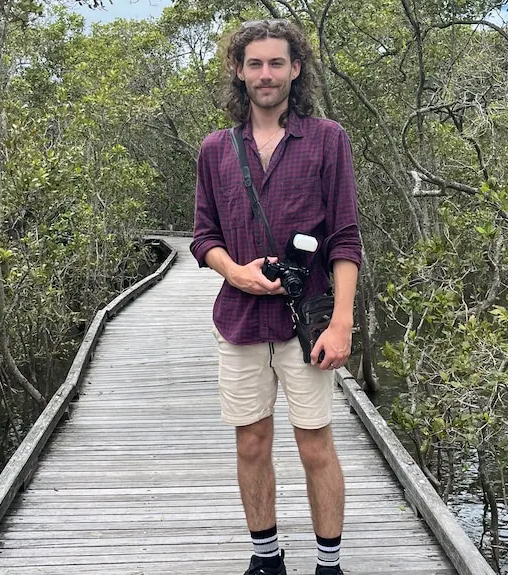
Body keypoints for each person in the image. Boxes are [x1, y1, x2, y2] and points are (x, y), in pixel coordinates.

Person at [190, 18, 361, 575]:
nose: (266, 75)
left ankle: (329, 564)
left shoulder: (328, 139)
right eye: (255, 64)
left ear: (296, 68)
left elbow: (344, 238)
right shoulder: (216, 150)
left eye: (277, 63)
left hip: (304, 321)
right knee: (252, 445)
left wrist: (341, 323)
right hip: (239, 320)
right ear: (239, 71)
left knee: (316, 446)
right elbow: (203, 236)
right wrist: (233, 272)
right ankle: (266, 559)